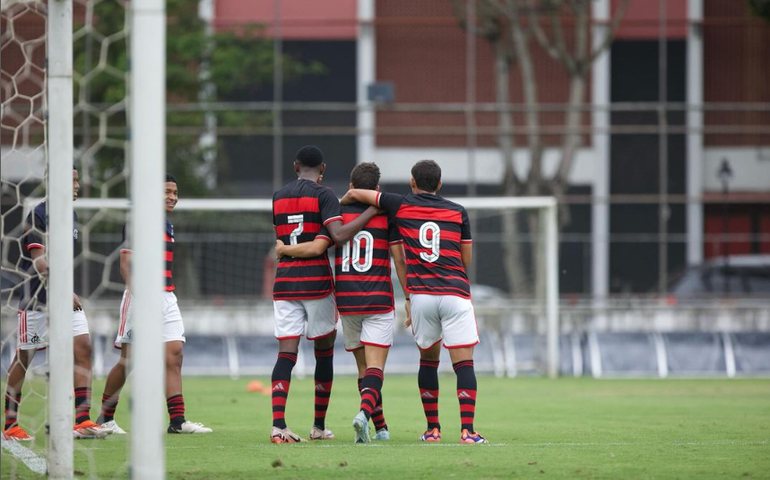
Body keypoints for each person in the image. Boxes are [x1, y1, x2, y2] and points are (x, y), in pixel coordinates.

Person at [341, 159, 488, 444]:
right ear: (440, 184)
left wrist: (348, 196)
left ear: (412, 182)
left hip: (421, 297)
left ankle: (433, 429)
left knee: (428, 361)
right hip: (455, 294)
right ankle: (468, 431)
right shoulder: (458, 212)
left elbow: (361, 194)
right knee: (464, 364)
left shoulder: (401, 204)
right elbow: (465, 259)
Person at [276, 162, 410, 443]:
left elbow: (324, 242)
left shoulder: (336, 211)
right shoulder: (386, 214)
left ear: (351, 187)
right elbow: (399, 259)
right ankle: (362, 414)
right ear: (376, 190)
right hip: (377, 298)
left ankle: (381, 427)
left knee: (364, 369)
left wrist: (285, 249)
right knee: (374, 369)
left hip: (347, 299)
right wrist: (409, 296)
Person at [97, 174, 212, 435]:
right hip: (140, 298)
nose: (173, 196)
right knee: (129, 360)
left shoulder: (167, 224)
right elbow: (126, 268)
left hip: (167, 296)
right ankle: (105, 419)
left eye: (175, 192)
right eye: (167, 191)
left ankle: (177, 421)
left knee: (174, 355)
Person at [3, 168, 110, 441]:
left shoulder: (70, 215)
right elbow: (39, 261)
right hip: (37, 300)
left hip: (64, 298)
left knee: (83, 347)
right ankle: (10, 424)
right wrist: (62, 291)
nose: (77, 186)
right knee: (25, 356)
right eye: (72, 181)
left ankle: (82, 420)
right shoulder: (38, 215)